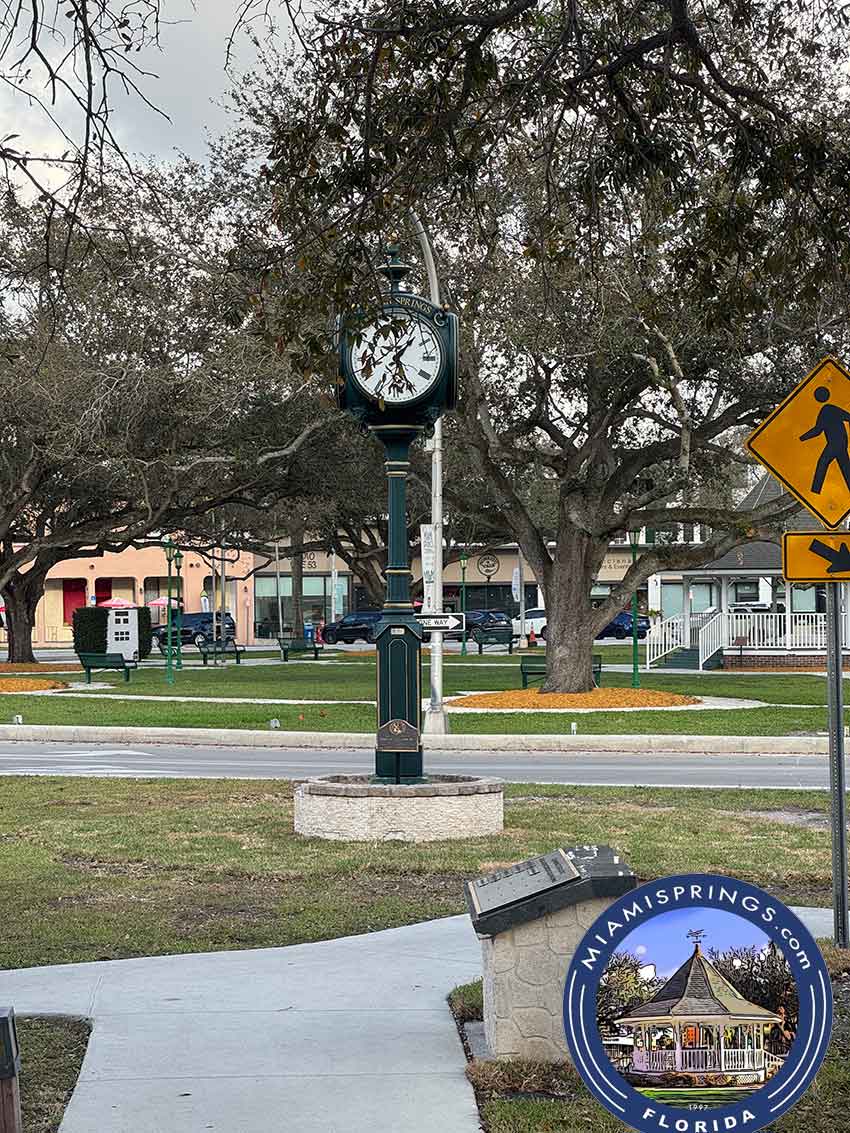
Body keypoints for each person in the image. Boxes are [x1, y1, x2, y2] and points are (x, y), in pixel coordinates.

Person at [799, 386, 850, 494]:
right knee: (845, 467)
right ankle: (816, 490)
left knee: (822, 462)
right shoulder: (831, 409)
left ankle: (815, 490)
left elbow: (817, 430)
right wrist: (803, 438)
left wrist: (801, 438)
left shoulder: (826, 410)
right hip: (842, 442)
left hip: (835, 443)